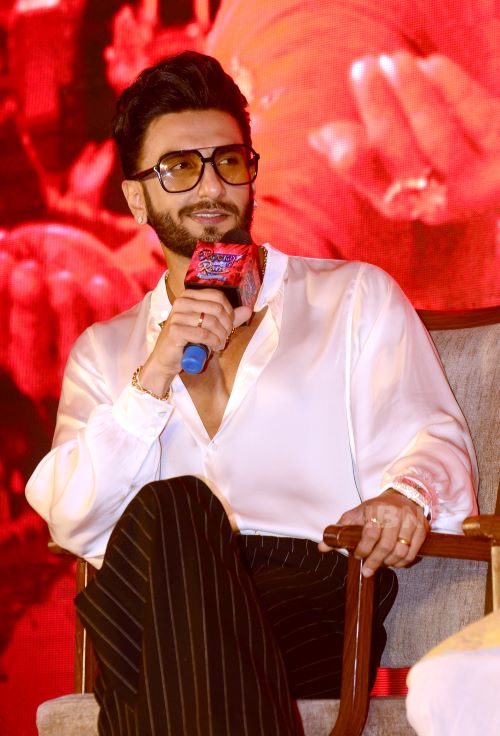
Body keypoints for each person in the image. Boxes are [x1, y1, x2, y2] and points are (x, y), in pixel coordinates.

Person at [26, 51, 478, 735]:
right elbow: (69, 518)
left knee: (169, 528)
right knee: (170, 520)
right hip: (152, 597)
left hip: (312, 590)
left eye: (228, 161)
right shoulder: (105, 352)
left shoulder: (352, 297)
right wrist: (154, 376)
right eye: (179, 167)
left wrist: (404, 496)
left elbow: (432, 440)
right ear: (136, 198)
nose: (211, 186)